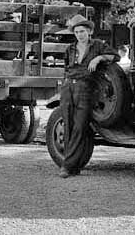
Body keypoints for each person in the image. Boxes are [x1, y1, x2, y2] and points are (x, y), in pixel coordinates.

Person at [57, 14, 119, 178]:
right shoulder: (69, 49)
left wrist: (98, 58)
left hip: (85, 89)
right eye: (77, 32)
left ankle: (67, 166)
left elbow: (115, 56)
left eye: (83, 31)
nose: (80, 35)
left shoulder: (98, 45)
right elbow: (66, 68)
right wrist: (65, 85)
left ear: (89, 31)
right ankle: (73, 166)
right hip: (68, 87)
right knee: (68, 125)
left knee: (80, 126)